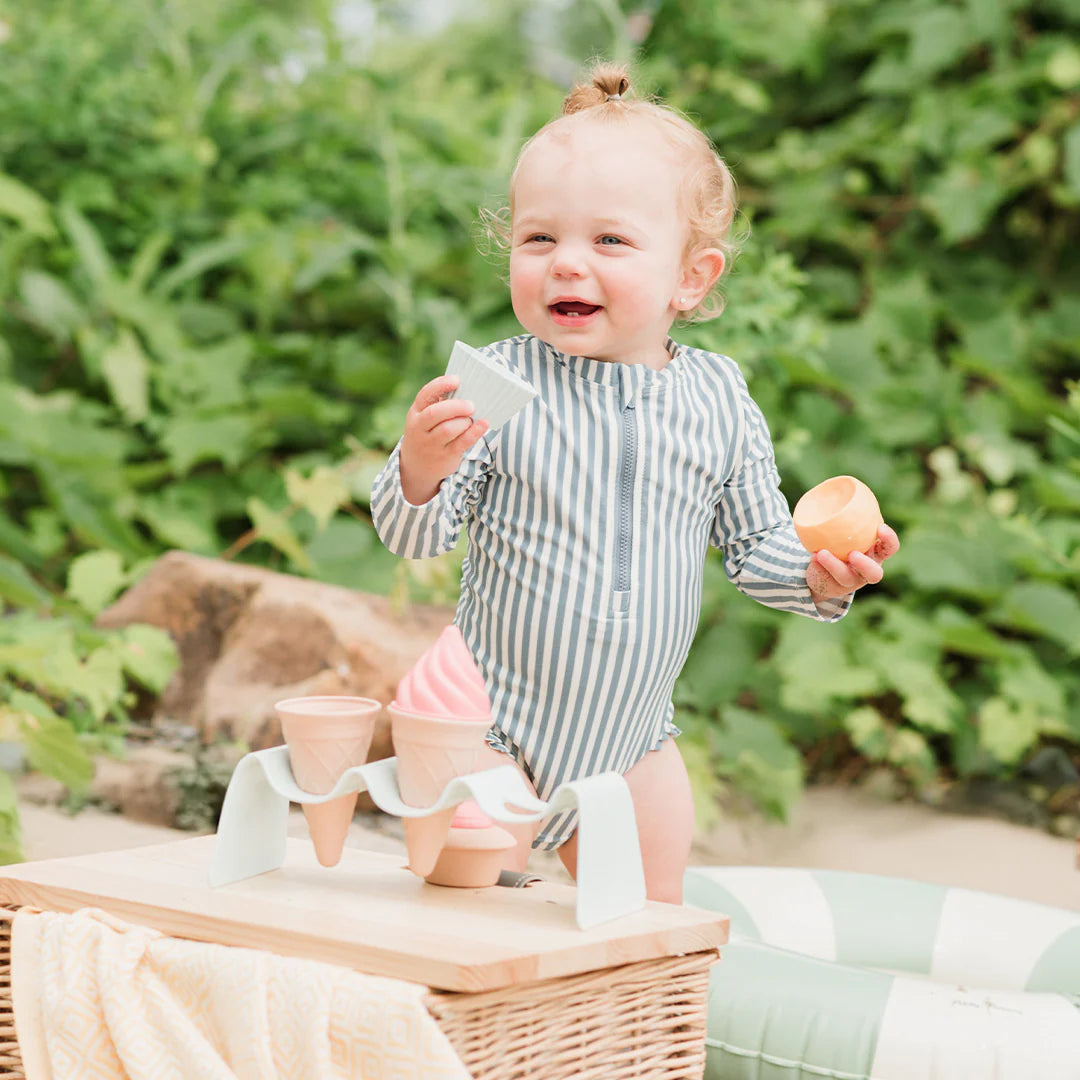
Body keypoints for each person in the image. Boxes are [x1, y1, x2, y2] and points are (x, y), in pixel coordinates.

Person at [371, 62, 899, 903]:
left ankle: (628, 1030)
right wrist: (422, 469)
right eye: (539, 239)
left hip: (633, 743)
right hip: (490, 727)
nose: (566, 265)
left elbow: (756, 544)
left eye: (609, 241)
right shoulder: (498, 383)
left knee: (646, 926)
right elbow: (415, 535)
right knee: (462, 918)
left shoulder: (716, 399)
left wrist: (815, 572)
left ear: (692, 277)